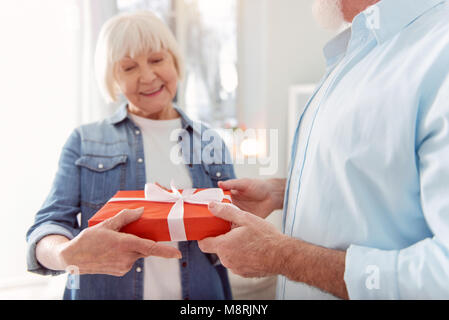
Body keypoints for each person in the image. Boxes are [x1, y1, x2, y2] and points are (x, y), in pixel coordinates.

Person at [198, 0, 449, 299]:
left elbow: (441, 276)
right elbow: (376, 179)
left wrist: (281, 255)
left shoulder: (438, 52)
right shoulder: (359, 51)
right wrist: (281, 193)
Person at [26, 10, 235, 300]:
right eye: (128, 67)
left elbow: (234, 227)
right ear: (112, 79)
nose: (147, 76)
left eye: (157, 60)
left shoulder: (209, 141)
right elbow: (48, 225)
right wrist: (64, 254)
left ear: (174, 61)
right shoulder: (84, 141)